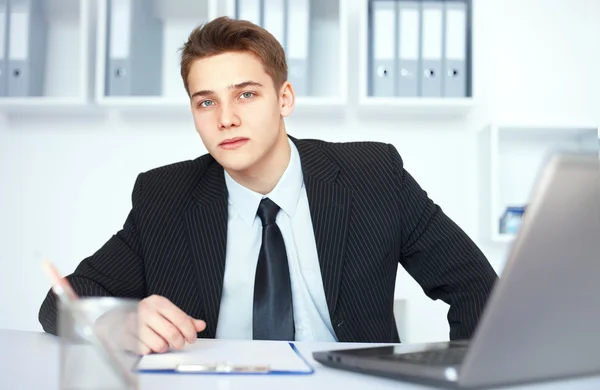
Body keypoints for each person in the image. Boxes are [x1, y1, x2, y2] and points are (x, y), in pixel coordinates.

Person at [39, 16, 498, 355]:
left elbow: (476, 286)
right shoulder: (166, 196)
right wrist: (116, 322)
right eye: (206, 102)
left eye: (246, 94)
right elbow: (63, 300)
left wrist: (464, 378)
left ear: (284, 98)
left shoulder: (372, 174)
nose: (226, 118)